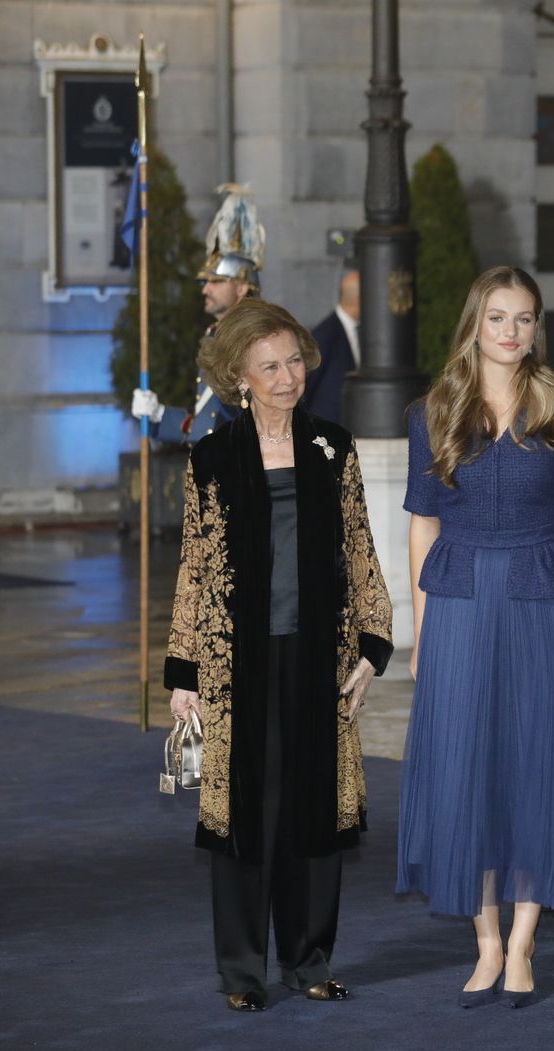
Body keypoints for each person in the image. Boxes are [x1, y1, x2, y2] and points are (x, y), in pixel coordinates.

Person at [165, 298, 393, 1012]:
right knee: (244, 815)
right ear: (240, 375)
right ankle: (241, 972)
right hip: (236, 664)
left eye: (295, 360)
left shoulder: (332, 447)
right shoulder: (211, 459)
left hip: (322, 656)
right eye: (270, 366)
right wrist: (184, 672)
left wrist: (373, 645)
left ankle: (309, 960)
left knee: (314, 806)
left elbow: (359, 548)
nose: (289, 377)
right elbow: (194, 567)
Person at [396, 266, 554, 1009]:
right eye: (497, 318)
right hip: (457, 602)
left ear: (535, 328)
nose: (511, 332)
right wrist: (422, 628)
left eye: (524, 319)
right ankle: (485, 943)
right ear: (475, 325)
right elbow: (422, 524)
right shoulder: (432, 412)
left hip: (541, 600)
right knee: (465, 768)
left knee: (533, 765)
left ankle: (522, 944)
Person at [131, 183, 264, 444]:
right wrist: (160, 415)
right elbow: (207, 424)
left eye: (216, 282)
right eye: (205, 282)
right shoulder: (216, 334)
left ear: (241, 287)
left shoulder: (256, 339)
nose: (205, 290)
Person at [302, 265, 361, 425]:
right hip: (324, 429)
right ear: (359, 299)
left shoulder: (360, 331)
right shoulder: (325, 334)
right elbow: (307, 384)